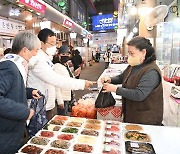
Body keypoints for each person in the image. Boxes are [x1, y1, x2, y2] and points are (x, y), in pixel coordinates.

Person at [27, 28, 93, 121]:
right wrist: (81, 84)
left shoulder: (46, 58)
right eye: (51, 43)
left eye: (55, 43)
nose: (54, 46)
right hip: (39, 104)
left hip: (46, 102)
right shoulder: (38, 59)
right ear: (41, 43)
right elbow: (55, 79)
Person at [101, 36, 163, 125]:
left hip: (146, 119)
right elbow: (122, 77)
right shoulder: (134, 65)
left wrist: (115, 89)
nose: (129, 56)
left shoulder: (151, 71)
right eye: (129, 53)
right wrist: (110, 79)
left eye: (131, 53)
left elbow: (139, 94)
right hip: (132, 114)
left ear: (143, 52)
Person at [0, 31, 41, 153]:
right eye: (35, 51)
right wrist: (24, 112)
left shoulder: (14, 65)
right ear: (25, 50)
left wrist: (28, 92)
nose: (36, 55)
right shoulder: (9, 67)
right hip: (6, 132)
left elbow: (11, 89)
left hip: (12, 129)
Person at [52, 45, 76, 115]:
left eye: (67, 54)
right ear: (59, 55)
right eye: (63, 54)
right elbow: (56, 85)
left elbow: (68, 79)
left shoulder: (66, 65)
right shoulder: (57, 67)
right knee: (61, 117)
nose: (66, 56)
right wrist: (60, 101)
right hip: (62, 98)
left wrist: (74, 75)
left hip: (68, 95)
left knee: (65, 115)